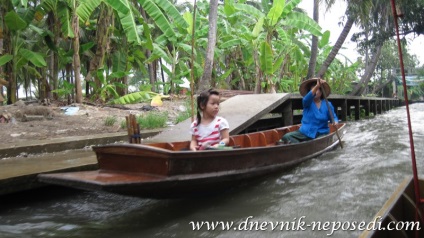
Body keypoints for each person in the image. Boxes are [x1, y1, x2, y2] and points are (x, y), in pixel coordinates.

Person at [281, 78, 338, 144]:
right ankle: (300, 146)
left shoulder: (328, 104)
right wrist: (317, 86)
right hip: (306, 132)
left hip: (321, 133)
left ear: (321, 92)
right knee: (286, 137)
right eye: (313, 90)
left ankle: (306, 145)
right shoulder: (307, 102)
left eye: (317, 90)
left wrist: (335, 122)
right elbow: (306, 99)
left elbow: (333, 117)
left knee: (318, 142)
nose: (315, 92)